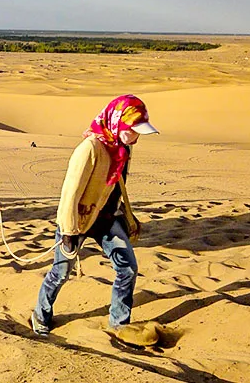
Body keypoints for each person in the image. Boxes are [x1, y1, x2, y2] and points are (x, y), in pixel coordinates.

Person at [31, 95, 159, 337]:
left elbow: (117, 186)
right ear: (117, 122)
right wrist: (68, 232)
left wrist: (128, 216)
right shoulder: (89, 149)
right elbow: (69, 194)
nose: (136, 136)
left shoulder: (123, 148)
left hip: (106, 219)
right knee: (60, 272)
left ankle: (119, 324)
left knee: (128, 268)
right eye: (132, 129)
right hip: (77, 221)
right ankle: (40, 313)